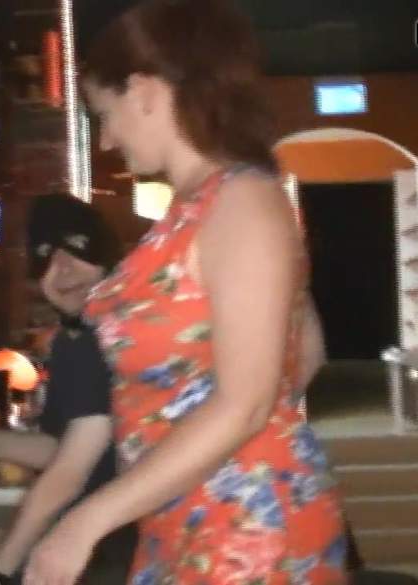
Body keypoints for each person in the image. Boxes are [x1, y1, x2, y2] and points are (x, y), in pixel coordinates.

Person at [21, 1, 346, 584]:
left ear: (144, 90)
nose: (106, 139)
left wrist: (82, 523)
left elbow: (248, 404)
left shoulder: (240, 201)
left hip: (245, 529)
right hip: (190, 511)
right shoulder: (201, 205)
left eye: (105, 114)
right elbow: (306, 354)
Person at [0, 194, 138, 585]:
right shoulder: (80, 338)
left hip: (123, 548)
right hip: (120, 542)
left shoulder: (99, 338)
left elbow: (70, 473)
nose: (63, 268)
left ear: (107, 258)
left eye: (77, 248)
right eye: (46, 257)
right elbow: (76, 449)